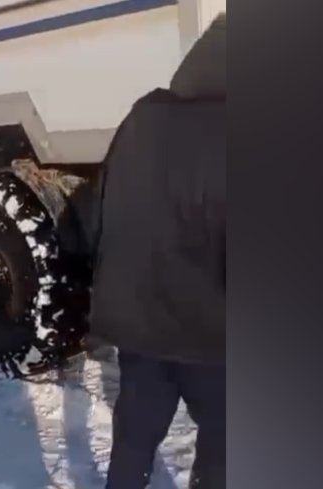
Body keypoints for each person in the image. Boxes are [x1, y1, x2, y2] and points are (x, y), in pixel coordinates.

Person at [86, 14, 226, 489]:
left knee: (134, 440)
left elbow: (98, 206)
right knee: (225, 445)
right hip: (209, 337)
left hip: (140, 328)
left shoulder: (142, 117)